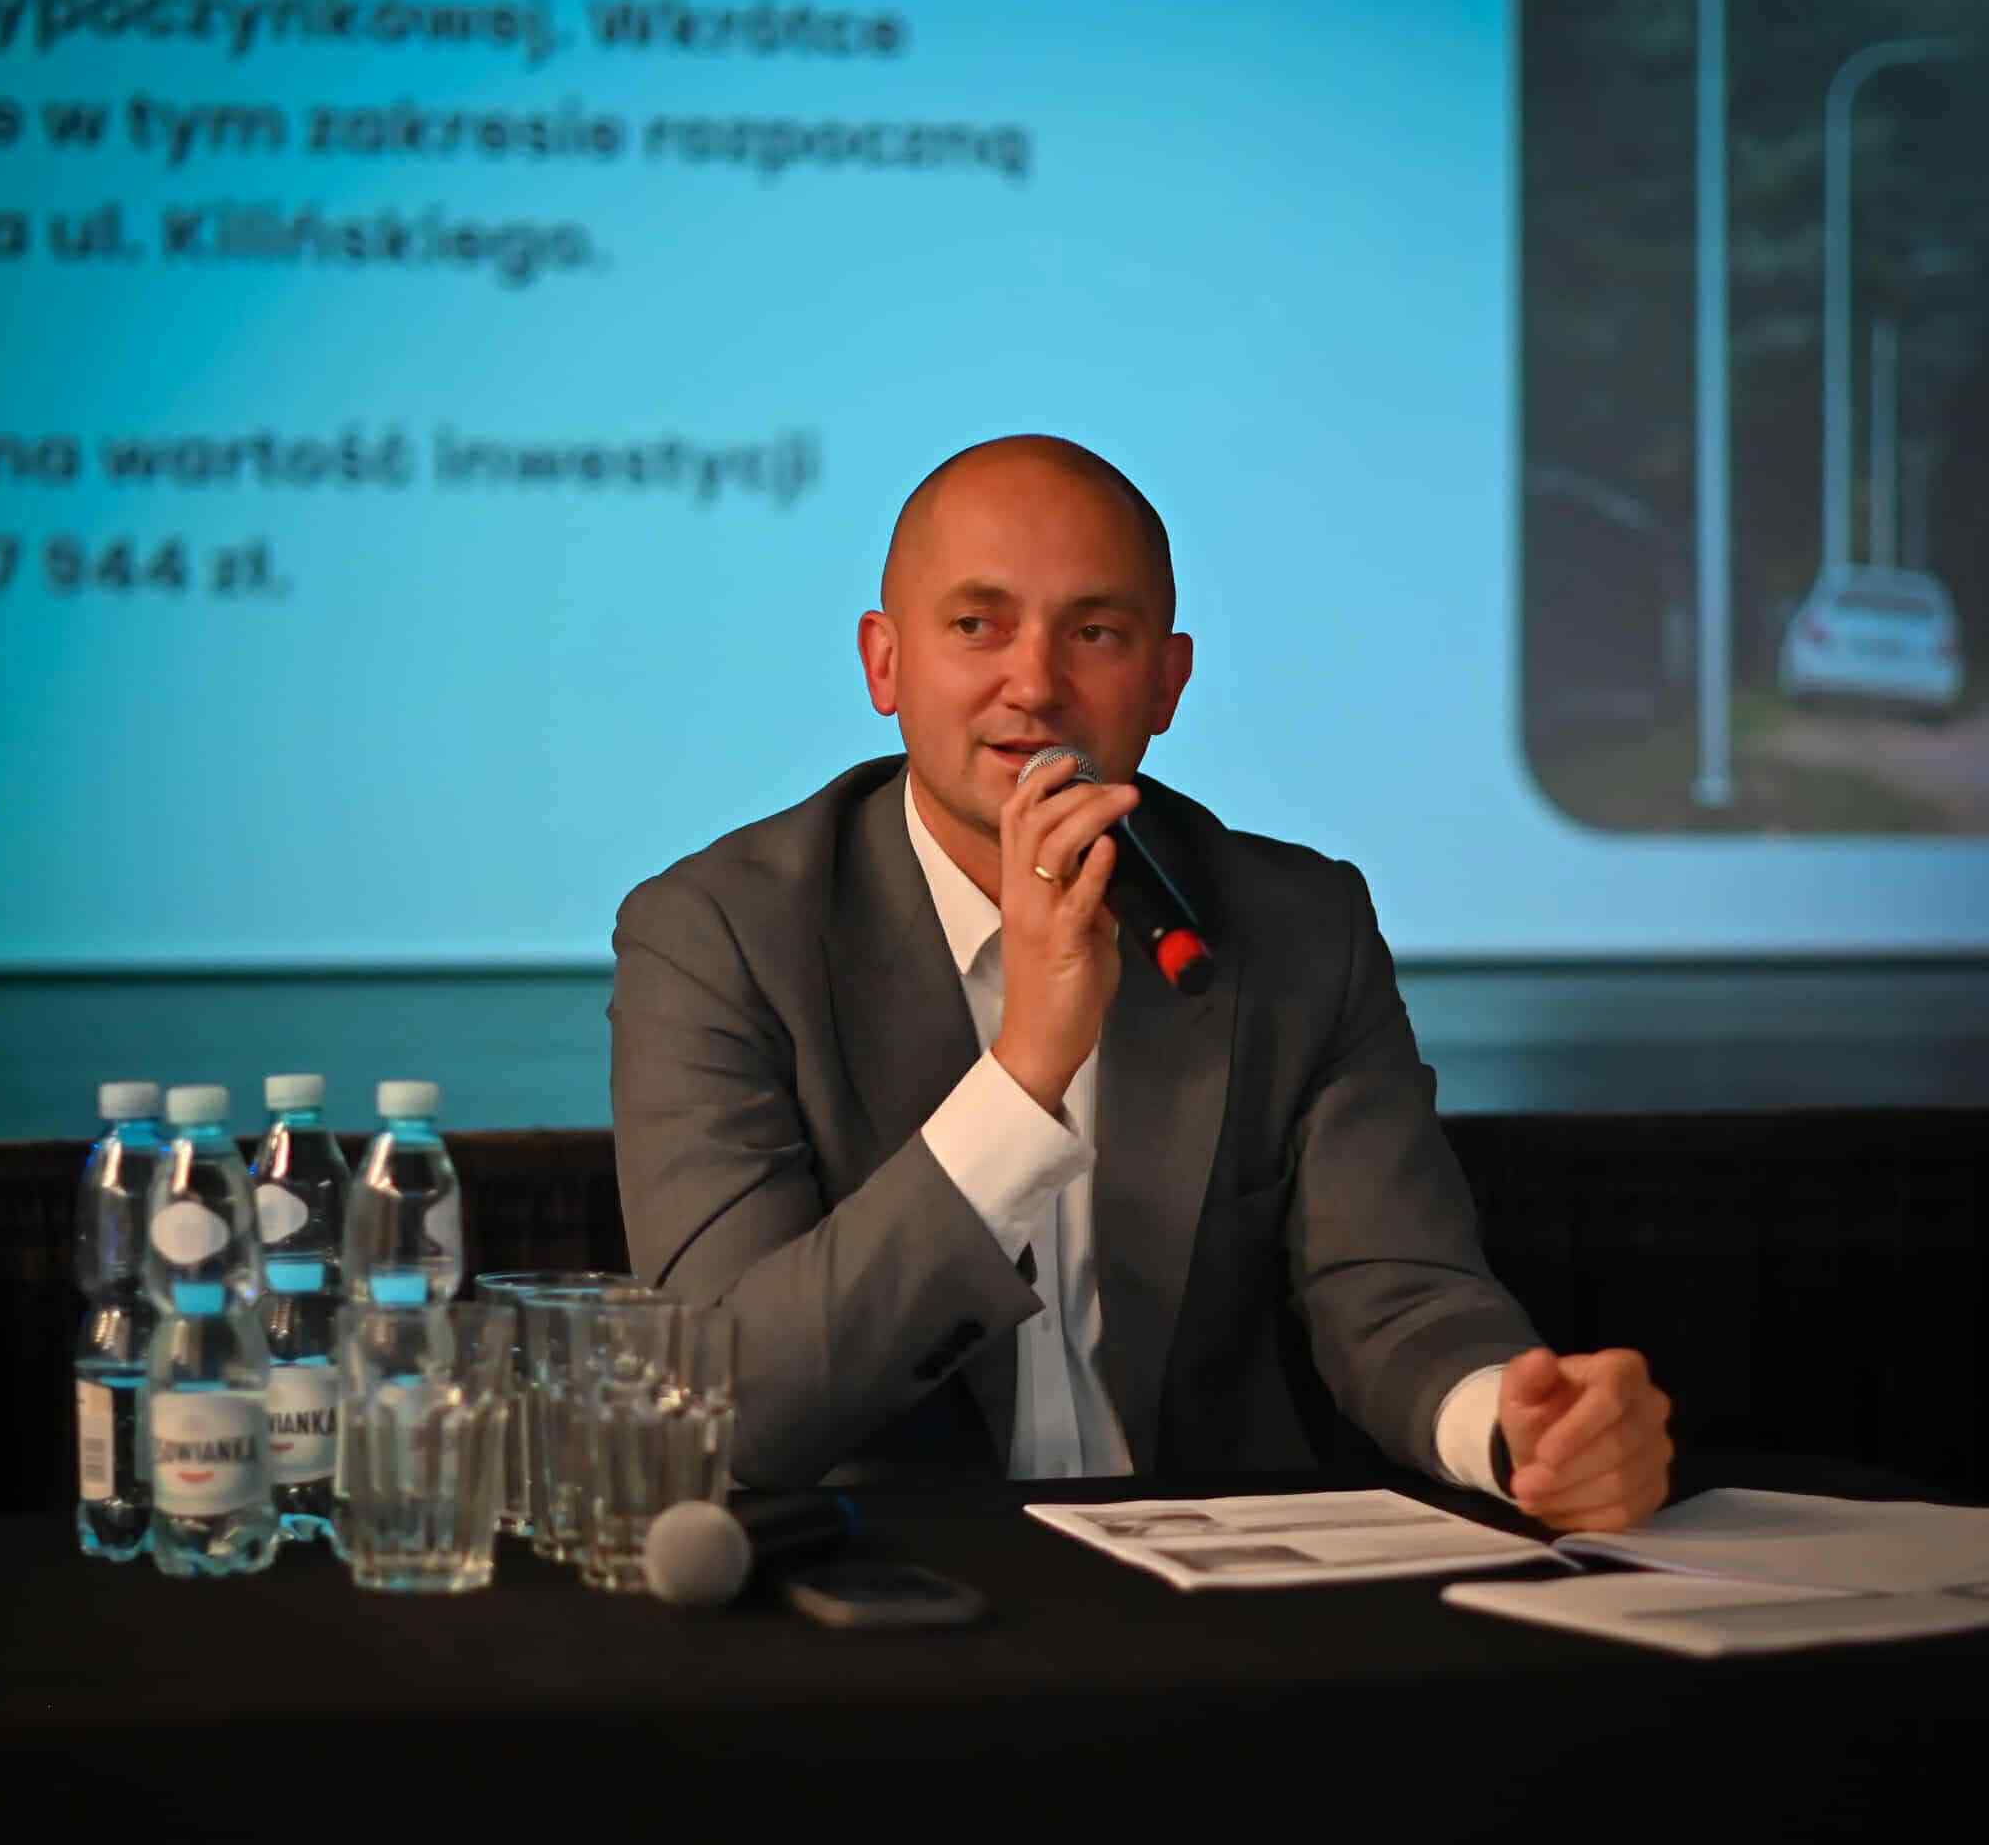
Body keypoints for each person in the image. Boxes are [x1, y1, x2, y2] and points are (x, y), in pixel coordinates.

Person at [610, 435, 1673, 1529]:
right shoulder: (717, 935)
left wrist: (1517, 1427)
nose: (1035, 683)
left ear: (1166, 683)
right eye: (977, 625)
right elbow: (732, 1404)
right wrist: (1024, 1072)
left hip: (1220, 1573)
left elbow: (1393, 1291)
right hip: (898, 1578)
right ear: (884, 664)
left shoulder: (1297, 927)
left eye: (1095, 633)